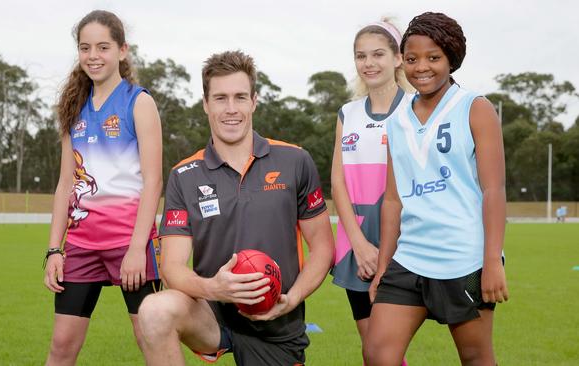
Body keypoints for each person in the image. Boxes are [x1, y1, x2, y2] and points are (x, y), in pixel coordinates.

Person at [137, 50, 334, 366]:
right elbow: (172, 267)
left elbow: (323, 247)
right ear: (205, 104)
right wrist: (214, 288)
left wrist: (292, 298)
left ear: (254, 101)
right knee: (154, 310)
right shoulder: (184, 175)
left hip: (278, 320)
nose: (231, 109)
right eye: (220, 98)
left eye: (240, 97)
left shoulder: (295, 161)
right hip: (212, 312)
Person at [365, 12, 509, 366]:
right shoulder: (397, 120)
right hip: (410, 256)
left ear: (451, 58)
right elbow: (393, 200)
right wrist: (384, 264)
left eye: (433, 57)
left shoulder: (474, 107)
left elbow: (494, 189)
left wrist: (492, 260)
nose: (421, 67)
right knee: (378, 353)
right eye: (412, 59)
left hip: (466, 258)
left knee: (475, 356)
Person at [42, 10, 163, 366]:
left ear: (122, 51)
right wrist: (54, 250)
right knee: (61, 346)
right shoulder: (73, 108)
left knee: (151, 339)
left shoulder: (138, 102)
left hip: (130, 242)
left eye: (103, 47)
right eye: (85, 47)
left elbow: (154, 180)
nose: (93, 55)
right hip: (81, 245)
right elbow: (66, 184)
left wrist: (137, 248)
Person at [329, 18, 411, 365]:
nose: (369, 63)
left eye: (378, 54)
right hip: (355, 242)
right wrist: (359, 244)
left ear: (398, 58)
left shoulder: (416, 108)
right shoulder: (347, 113)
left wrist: (388, 247)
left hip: (404, 239)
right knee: (371, 349)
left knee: (384, 348)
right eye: (361, 56)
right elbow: (337, 183)